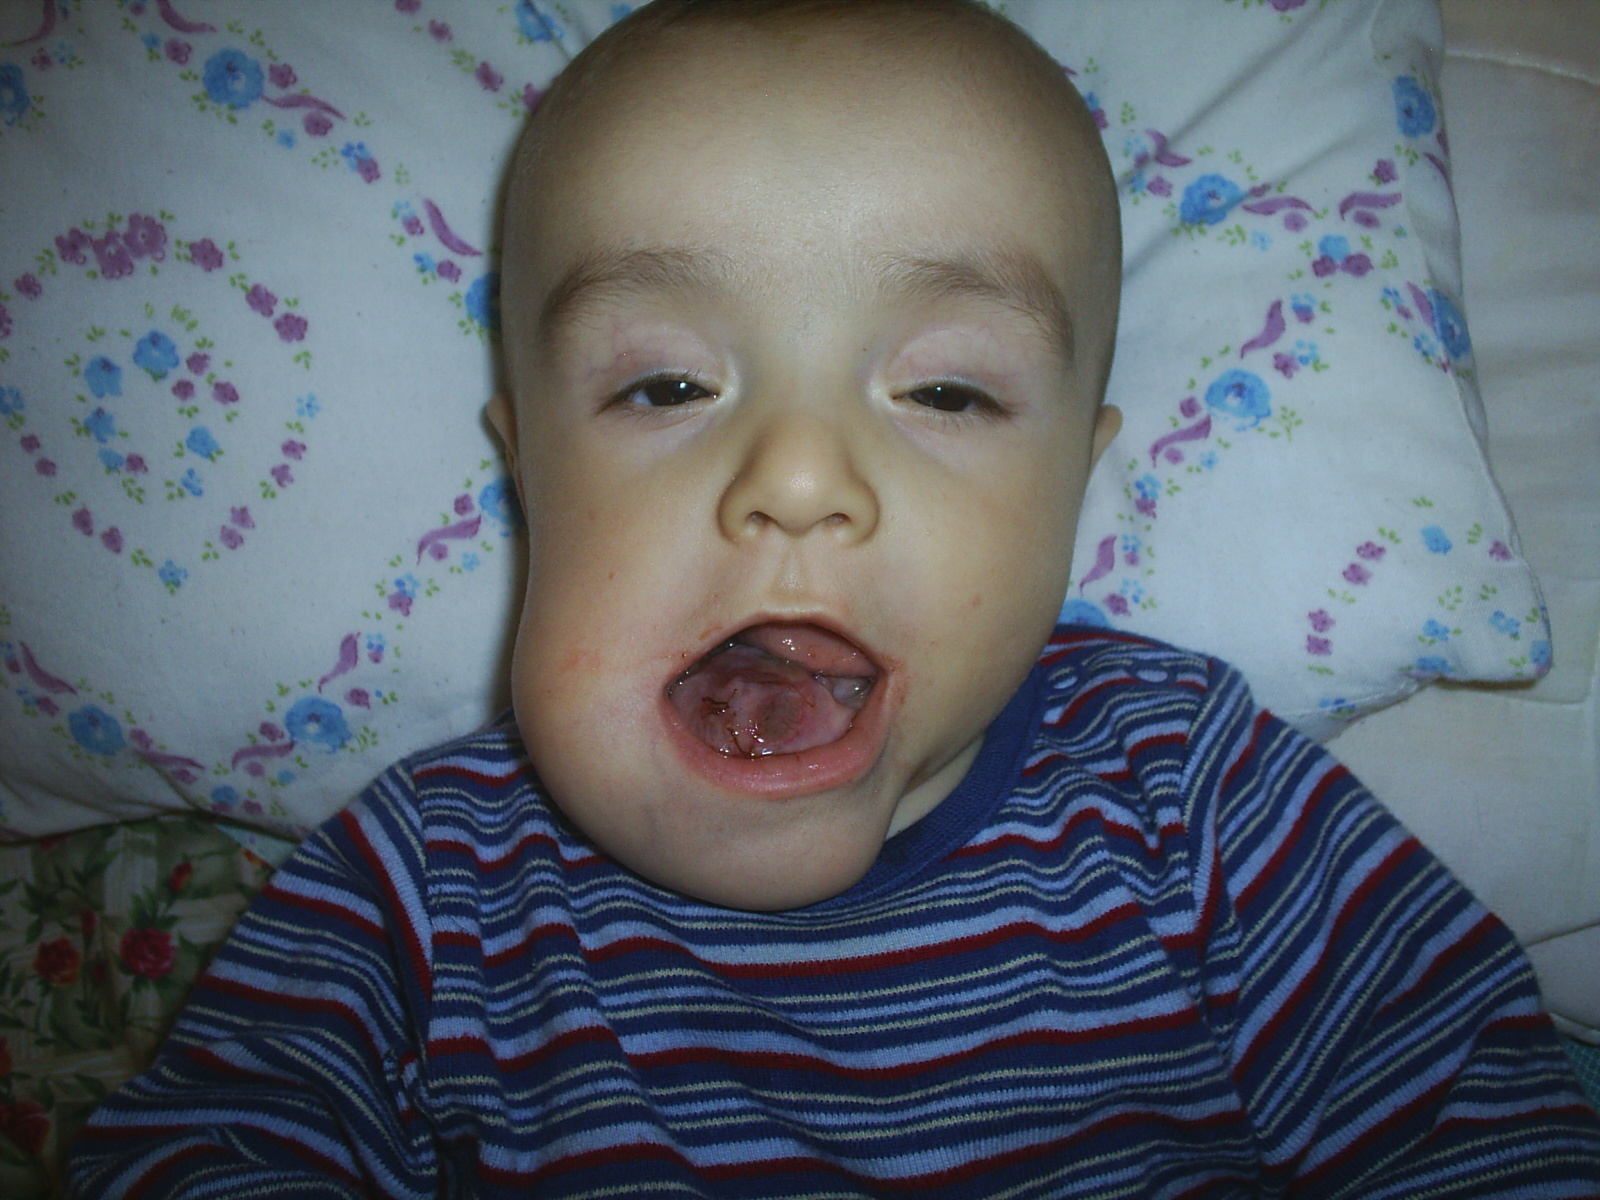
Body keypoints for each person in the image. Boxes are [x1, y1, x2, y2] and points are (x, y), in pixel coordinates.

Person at [69, 2, 1600, 1196]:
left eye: (946, 391)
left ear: (1075, 488)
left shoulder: (1187, 791)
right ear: (528, 467)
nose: (799, 478)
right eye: (668, 385)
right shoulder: (426, 885)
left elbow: (1479, 1125)